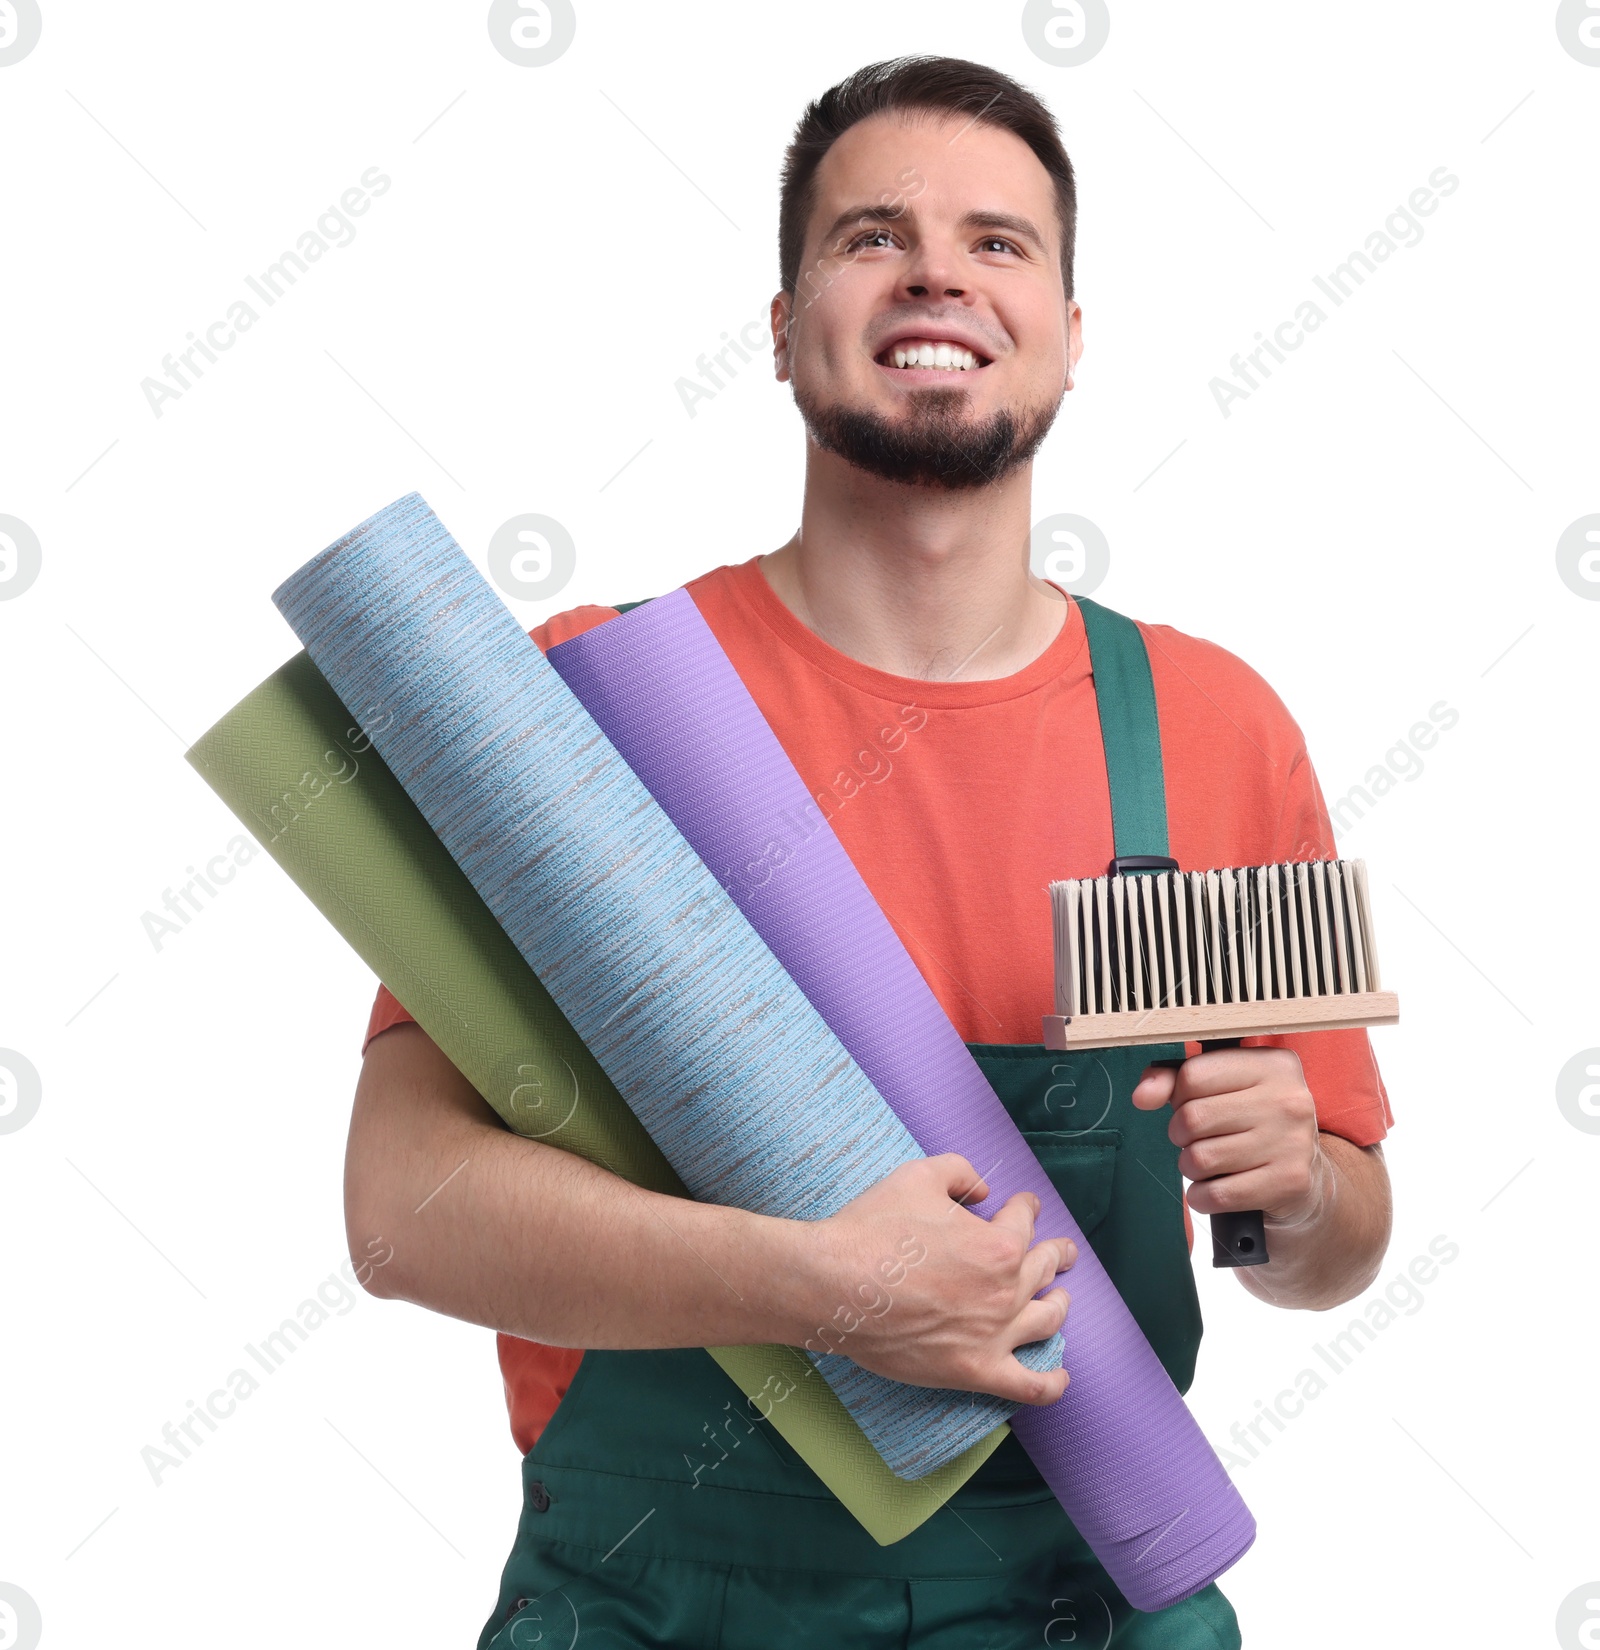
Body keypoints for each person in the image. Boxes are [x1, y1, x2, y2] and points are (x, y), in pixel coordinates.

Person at [346, 56, 1393, 1648]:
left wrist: (1299, 1184)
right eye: (870, 237)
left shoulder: (1212, 727)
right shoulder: (590, 715)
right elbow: (401, 1209)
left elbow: (1335, 1243)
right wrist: (825, 1287)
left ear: (1070, 334)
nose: (937, 274)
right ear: (779, 327)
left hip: (1083, 1595)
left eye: (999, 242)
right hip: (653, 1609)